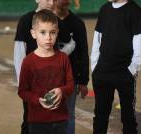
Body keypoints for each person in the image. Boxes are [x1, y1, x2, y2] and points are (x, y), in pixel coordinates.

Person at [14, 0, 75, 133]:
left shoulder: (63, 58)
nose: (48, 38)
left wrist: (61, 91)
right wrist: (37, 100)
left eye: (52, 32)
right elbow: (22, 91)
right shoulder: (28, 61)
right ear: (33, 34)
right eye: (43, 32)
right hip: (37, 121)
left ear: (57, 32)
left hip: (61, 120)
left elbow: (70, 85)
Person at [90, 0, 141, 134]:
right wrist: (95, 67)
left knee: (128, 118)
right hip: (102, 73)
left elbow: (139, 41)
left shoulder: (134, 10)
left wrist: (132, 70)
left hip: (124, 73)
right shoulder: (104, 9)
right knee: (100, 116)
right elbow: (97, 38)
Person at [54, 0, 89, 134]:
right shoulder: (48, 20)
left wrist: (83, 81)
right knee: (49, 114)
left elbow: (83, 52)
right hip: (50, 76)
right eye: (62, 2)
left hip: (71, 77)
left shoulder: (77, 23)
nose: (65, 4)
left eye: (67, 3)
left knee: (68, 114)